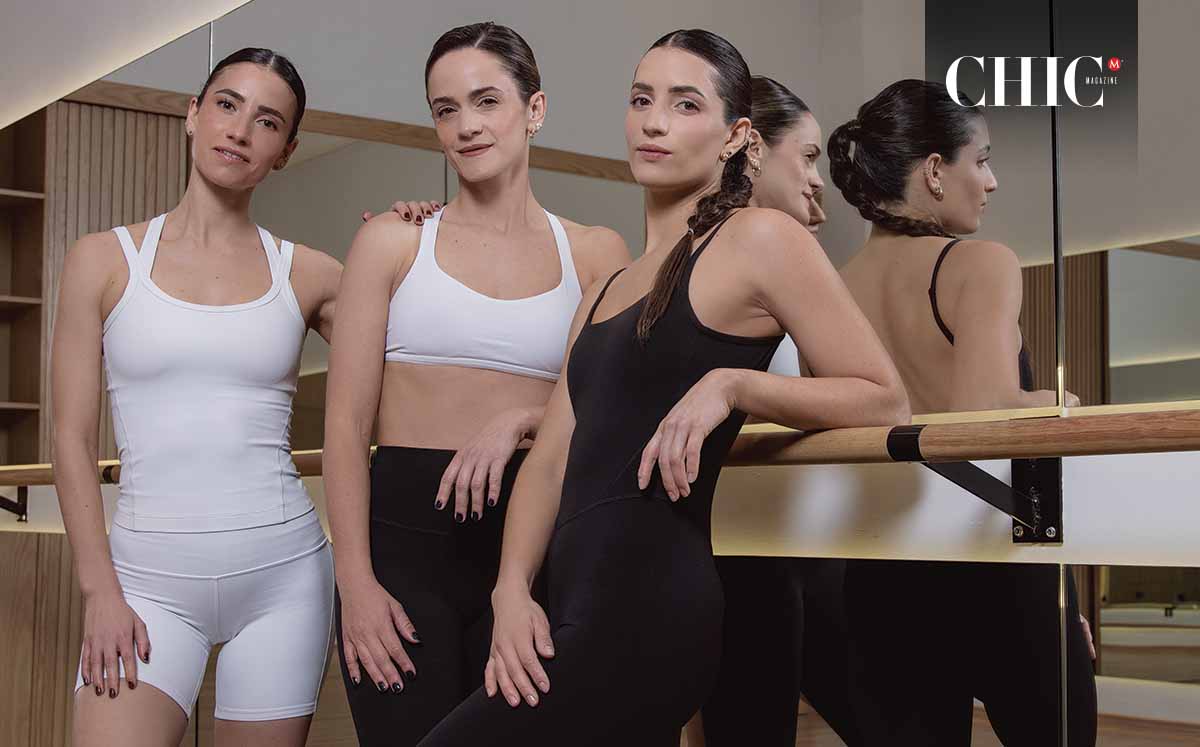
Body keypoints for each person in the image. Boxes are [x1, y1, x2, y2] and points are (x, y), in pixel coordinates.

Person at [416, 28, 908, 746]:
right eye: (642, 100)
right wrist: (511, 590)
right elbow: (551, 462)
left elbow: (882, 395)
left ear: (735, 135)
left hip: (650, 613)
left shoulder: (759, 239)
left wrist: (733, 385)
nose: (653, 122)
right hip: (566, 605)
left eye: (685, 104)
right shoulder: (606, 289)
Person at [322, 22, 631, 746]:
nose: (465, 126)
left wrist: (522, 418)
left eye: (486, 101)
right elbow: (344, 428)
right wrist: (355, 585)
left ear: (535, 109)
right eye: (446, 109)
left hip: (537, 551)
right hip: (402, 557)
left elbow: (605, 412)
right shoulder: (392, 242)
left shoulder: (595, 253)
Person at [52, 48, 341, 746]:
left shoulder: (311, 273)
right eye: (226, 104)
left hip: (283, 579)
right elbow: (70, 437)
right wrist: (99, 590)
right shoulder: (102, 259)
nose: (239, 129)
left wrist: (419, 231)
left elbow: (418, 356)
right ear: (193, 113)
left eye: (267, 121)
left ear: (285, 150)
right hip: (144, 582)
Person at [830, 78, 1097, 746]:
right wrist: (1058, 402)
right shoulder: (980, 264)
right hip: (997, 565)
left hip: (881, 571)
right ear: (933, 171)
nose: (991, 181)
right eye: (981, 160)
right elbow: (982, 415)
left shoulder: (830, 288)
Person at [696, 74, 861, 747]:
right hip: (742, 552)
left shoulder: (773, 260)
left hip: (786, 545)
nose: (819, 181)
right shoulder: (720, 262)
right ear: (755, 149)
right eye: (809, 156)